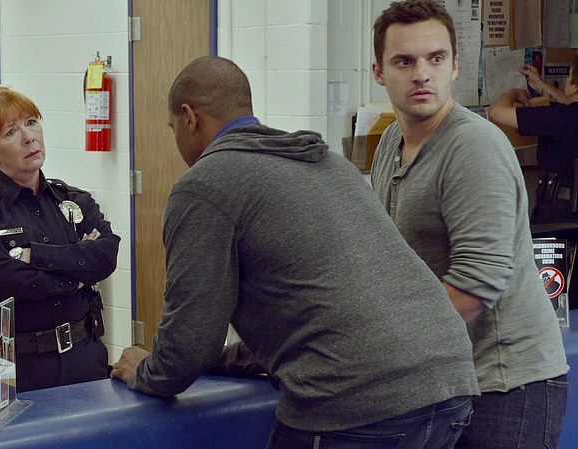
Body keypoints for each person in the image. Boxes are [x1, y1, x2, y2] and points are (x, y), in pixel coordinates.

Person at [111, 55, 479, 449]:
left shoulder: (204, 185)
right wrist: (220, 360)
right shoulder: (330, 165)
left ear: (189, 118)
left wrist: (147, 371)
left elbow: (189, 344)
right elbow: (320, 311)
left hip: (357, 401)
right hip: (451, 384)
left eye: (173, 129)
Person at [368, 1, 569, 448]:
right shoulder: (391, 142)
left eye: (436, 58)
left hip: (506, 386)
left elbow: (477, 283)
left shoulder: (473, 147)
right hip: (446, 379)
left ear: (455, 66)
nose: (422, 74)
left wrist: (375, 347)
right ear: (379, 72)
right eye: (404, 61)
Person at [0, 88, 120, 392]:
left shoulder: (73, 200)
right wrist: (75, 275)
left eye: (31, 122)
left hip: (84, 360)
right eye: (11, 132)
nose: (28, 137)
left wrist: (34, 255)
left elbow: (105, 256)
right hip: (14, 370)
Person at [490, 53, 578, 224]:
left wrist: (514, 93)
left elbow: (497, 113)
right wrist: (541, 86)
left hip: (559, 214)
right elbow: (569, 104)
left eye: (569, 76)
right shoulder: (567, 116)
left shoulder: (559, 118)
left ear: (575, 86)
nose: (567, 80)